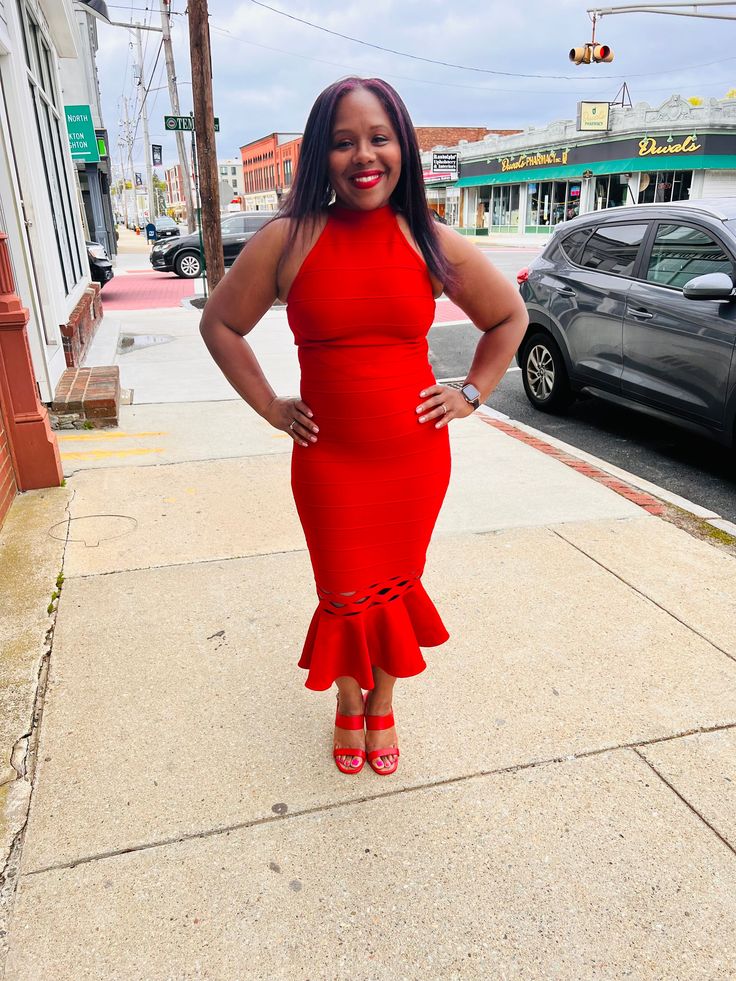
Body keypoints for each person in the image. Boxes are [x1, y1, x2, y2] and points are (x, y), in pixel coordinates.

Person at [200, 77, 528, 777]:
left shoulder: (429, 241)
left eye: (378, 137)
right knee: (344, 591)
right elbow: (221, 324)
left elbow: (509, 318)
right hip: (330, 463)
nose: (363, 155)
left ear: (402, 147)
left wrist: (470, 391)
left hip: (413, 460)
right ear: (320, 155)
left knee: (398, 584)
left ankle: (382, 702)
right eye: (343, 142)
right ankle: (348, 698)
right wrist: (269, 404)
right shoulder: (288, 240)